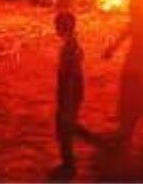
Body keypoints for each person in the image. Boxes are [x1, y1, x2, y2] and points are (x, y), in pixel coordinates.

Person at [52, 11, 87, 180]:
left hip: (70, 90)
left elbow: (72, 75)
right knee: (66, 124)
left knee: (65, 127)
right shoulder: (70, 45)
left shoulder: (71, 48)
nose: (56, 29)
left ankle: (68, 162)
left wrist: (67, 97)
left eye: (58, 25)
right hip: (69, 89)